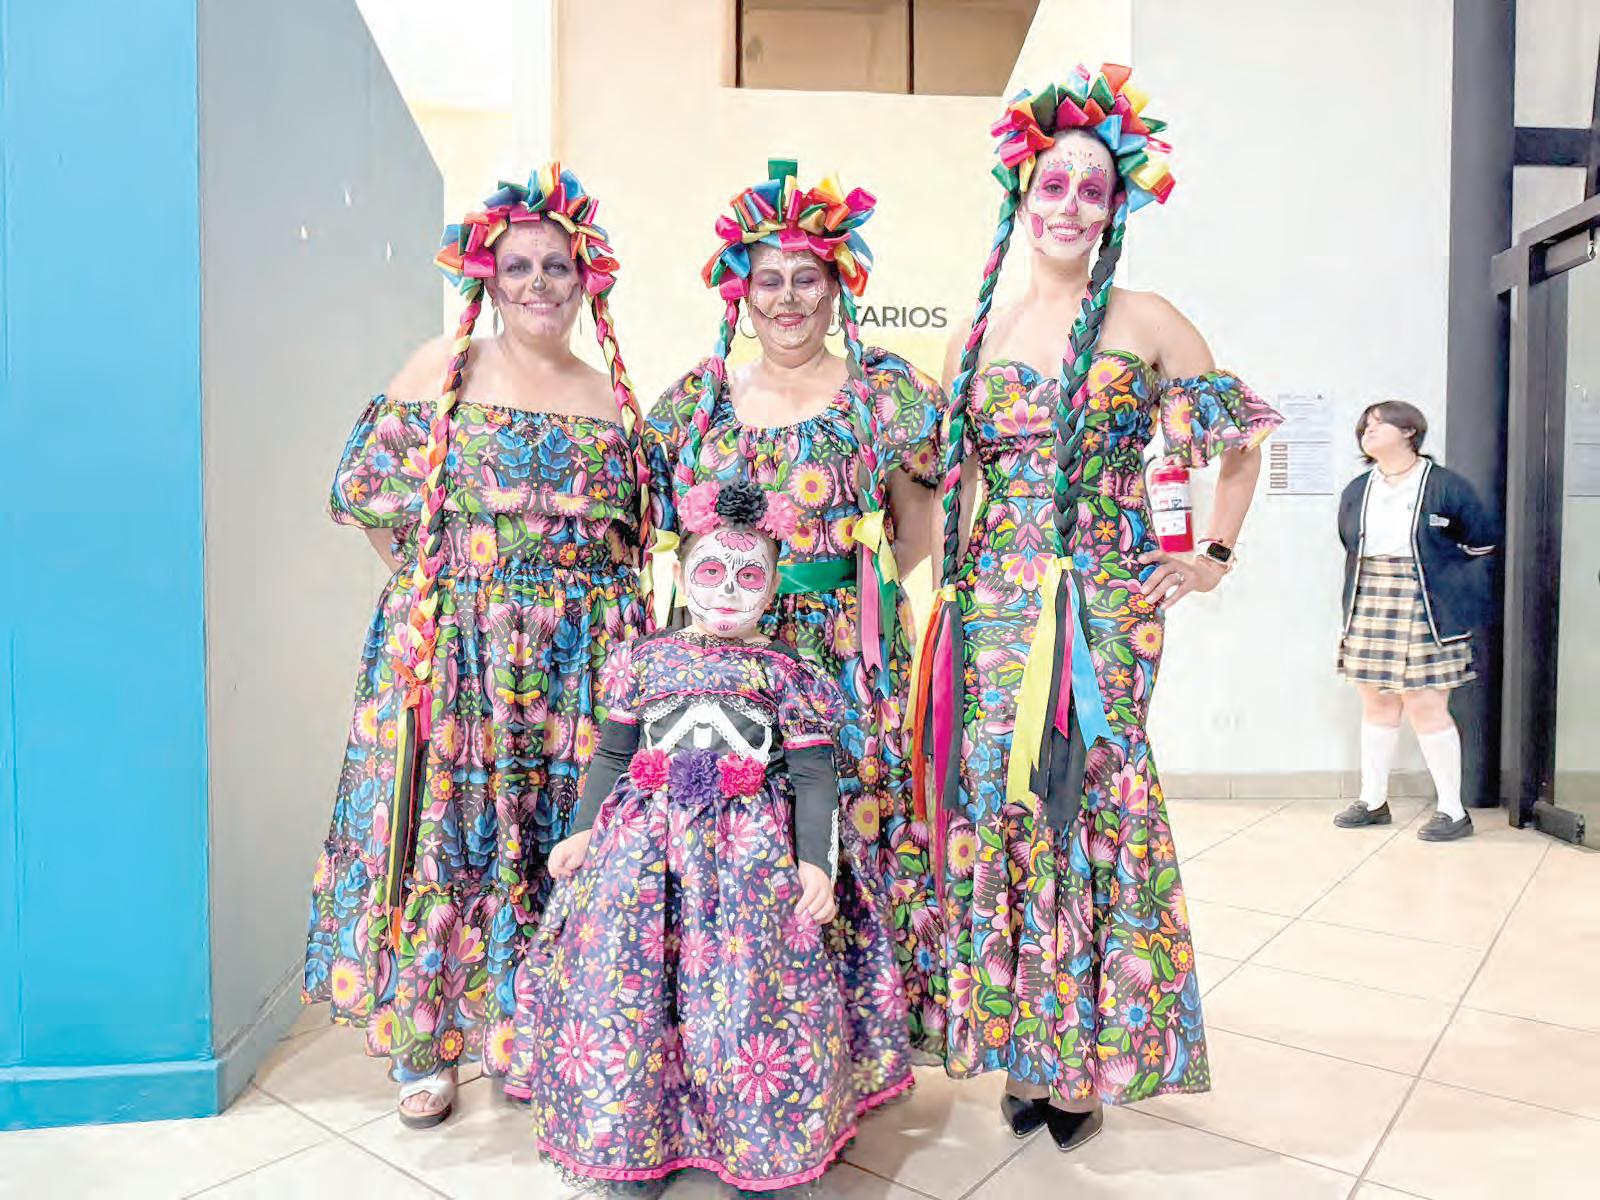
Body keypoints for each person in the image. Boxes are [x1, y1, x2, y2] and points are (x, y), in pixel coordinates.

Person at [913, 64, 1283, 1150]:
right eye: (1053, 185)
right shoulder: (975, 335)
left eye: (1092, 188)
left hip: (1104, 604)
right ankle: (1025, 1042)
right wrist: (943, 594)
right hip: (991, 605)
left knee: (1085, 797)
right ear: (1020, 197)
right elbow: (956, 483)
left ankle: (1083, 1054)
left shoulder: (1149, 320)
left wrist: (1210, 555)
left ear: (1116, 204)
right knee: (1000, 807)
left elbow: (1237, 444)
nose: (1070, 205)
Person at [302, 166, 650, 1128]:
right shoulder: (442, 368)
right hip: (463, 660)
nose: (539, 283)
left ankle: (539, 1033)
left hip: (579, 666)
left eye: (557, 266)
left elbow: (635, 537)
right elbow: (366, 492)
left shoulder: (610, 396)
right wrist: (446, 595)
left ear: (586, 279)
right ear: (489, 279)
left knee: (559, 843)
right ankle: (431, 1041)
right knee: (449, 837)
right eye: (519, 266)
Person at [521, 480, 912, 1197]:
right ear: (679, 574)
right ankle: (633, 1139)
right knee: (636, 990)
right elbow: (611, 756)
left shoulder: (789, 671)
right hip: (644, 856)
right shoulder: (642, 659)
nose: (728, 590)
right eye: (710, 570)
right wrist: (582, 833)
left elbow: (814, 776)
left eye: (748, 576)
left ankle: (762, 1142)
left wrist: (815, 863)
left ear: (774, 585)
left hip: (750, 863)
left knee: (749, 998)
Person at [644, 162, 948, 1047]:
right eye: (768, 279)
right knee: (734, 820)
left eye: (806, 278)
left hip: (843, 650)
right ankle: (732, 1028)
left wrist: (841, 594)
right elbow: (662, 523)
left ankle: (854, 1030)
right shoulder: (699, 401)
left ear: (837, 285)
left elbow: (918, 524)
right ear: (741, 292)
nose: (786, 298)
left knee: (846, 816)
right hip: (723, 659)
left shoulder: (883, 392)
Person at [1334, 400, 1497, 841]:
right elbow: (1350, 541)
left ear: (1409, 431)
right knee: (1376, 702)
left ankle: (1452, 810)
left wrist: (1452, 584)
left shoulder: (1445, 485)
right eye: (1364, 426)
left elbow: (1481, 543)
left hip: (1427, 601)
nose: (1368, 431)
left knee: (1426, 704)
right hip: (1370, 594)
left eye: (1378, 423)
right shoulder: (1358, 489)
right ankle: (1372, 800)